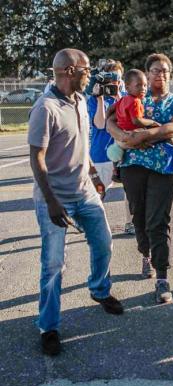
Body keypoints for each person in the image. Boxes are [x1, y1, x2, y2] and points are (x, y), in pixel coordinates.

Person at [28, 49, 124, 356]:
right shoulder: (46, 107)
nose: (91, 75)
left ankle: (99, 289)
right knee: (53, 263)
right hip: (54, 198)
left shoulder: (81, 101)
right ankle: (49, 326)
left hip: (84, 191)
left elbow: (80, 145)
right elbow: (37, 158)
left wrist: (94, 173)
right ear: (69, 71)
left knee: (104, 242)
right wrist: (52, 202)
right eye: (86, 70)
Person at [106, 53, 173, 303]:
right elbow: (109, 121)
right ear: (146, 73)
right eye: (154, 70)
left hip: (163, 168)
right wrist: (121, 135)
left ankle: (162, 277)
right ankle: (146, 254)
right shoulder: (129, 97)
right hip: (132, 166)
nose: (159, 74)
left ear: (169, 74)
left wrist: (142, 136)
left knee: (158, 220)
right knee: (139, 217)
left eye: (164, 70)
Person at [87, 59, 135, 234]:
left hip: (124, 153)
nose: (115, 84)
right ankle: (92, 224)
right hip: (101, 154)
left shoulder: (125, 96)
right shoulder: (95, 99)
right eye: (111, 81)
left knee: (130, 191)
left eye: (118, 80)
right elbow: (99, 124)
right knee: (97, 193)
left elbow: (129, 122)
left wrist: (120, 99)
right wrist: (100, 100)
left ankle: (130, 222)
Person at [106, 69, 160, 163]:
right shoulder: (135, 101)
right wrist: (152, 122)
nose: (143, 88)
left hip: (120, 135)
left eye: (145, 85)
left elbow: (110, 109)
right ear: (127, 88)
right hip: (133, 133)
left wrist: (107, 121)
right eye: (138, 85)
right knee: (160, 135)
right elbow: (137, 121)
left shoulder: (123, 99)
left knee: (118, 153)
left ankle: (117, 167)